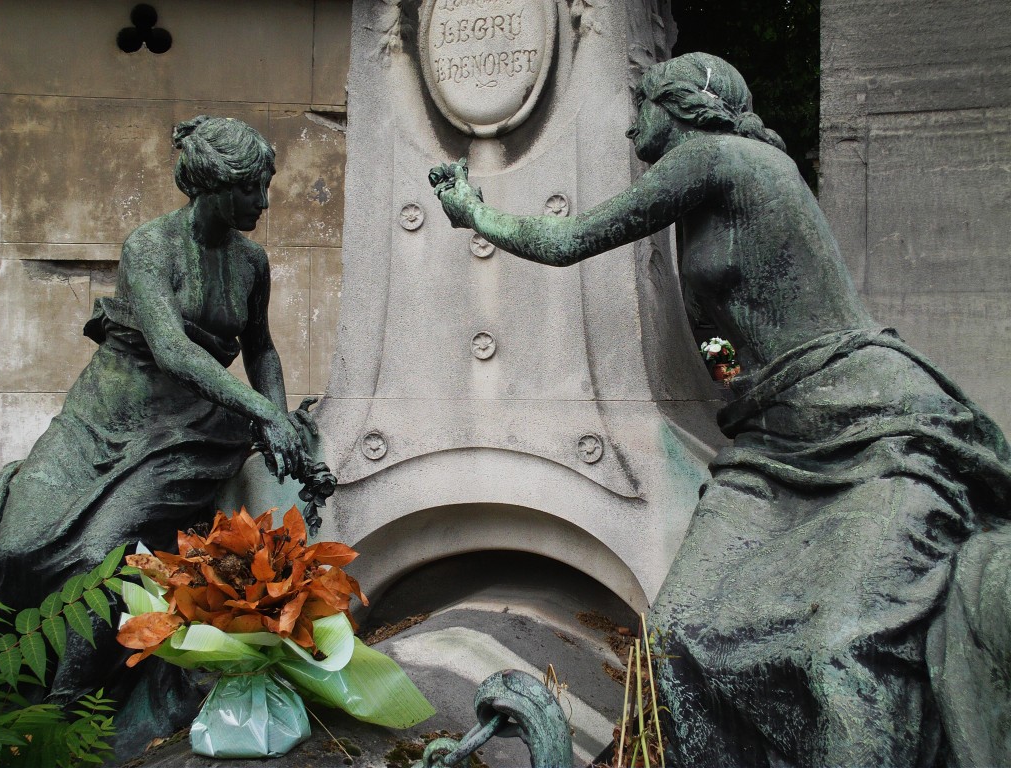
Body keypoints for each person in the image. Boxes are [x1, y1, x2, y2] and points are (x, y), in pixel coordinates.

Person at [431, 53, 1011, 767]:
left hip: (863, 417)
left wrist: (474, 213)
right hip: (773, 439)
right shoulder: (716, 182)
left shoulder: (716, 157)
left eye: (641, 104)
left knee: (845, 645)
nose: (630, 123)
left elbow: (570, 240)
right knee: (677, 631)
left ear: (679, 108)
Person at [0, 115, 314, 755]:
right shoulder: (150, 246)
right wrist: (265, 413)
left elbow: (263, 350)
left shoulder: (252, 262)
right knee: (18, 548)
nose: (265, 202)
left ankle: (63, 716)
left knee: (100, 556)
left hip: (191, 431)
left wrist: (275, 418)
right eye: (254, 189)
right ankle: (16, 672)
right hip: (106, 413)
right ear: (216, 186)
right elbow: (172, 349)